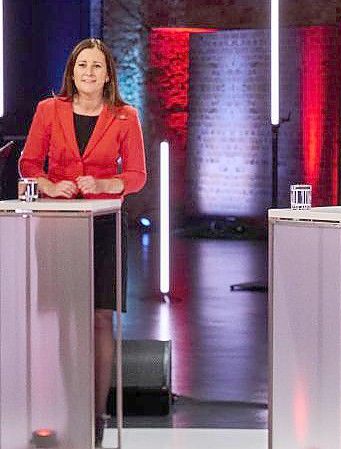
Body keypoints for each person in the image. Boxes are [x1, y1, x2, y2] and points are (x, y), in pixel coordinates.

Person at [19, 38, 146, 447]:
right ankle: (64, 407)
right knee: (64, 319)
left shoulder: (126, 117)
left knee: (98, 318)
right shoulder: (47, 111)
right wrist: (49, 186)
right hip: (58, 225)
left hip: (105, 224)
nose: (88, 73)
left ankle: (96, 415)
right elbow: (28, 164)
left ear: (108, 74)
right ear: (71, 72)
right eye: (82, 66)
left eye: (96, 66)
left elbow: (138, 175)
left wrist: (108, 183)